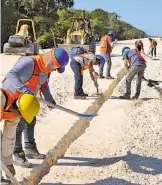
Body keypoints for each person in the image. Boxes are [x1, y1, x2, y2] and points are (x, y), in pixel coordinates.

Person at [2, 48, 69, 168]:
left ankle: (29, 149)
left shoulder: (46, 70)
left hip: (26, 100)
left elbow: (43, 85)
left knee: (30, 120)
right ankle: (17, 153)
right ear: (52, 63)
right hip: (10, 98)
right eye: (56, 68)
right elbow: (11, 75)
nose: (54, 70)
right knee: (18, 126)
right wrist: (26, 91)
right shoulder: (29, 63)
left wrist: (50, 100)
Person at [0, 90, 40, 184]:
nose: (21, 117)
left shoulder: (14, 114)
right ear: (18, 109)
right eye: (21, 114)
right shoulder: (1, 98)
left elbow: (8, 139)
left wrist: (7, 162)